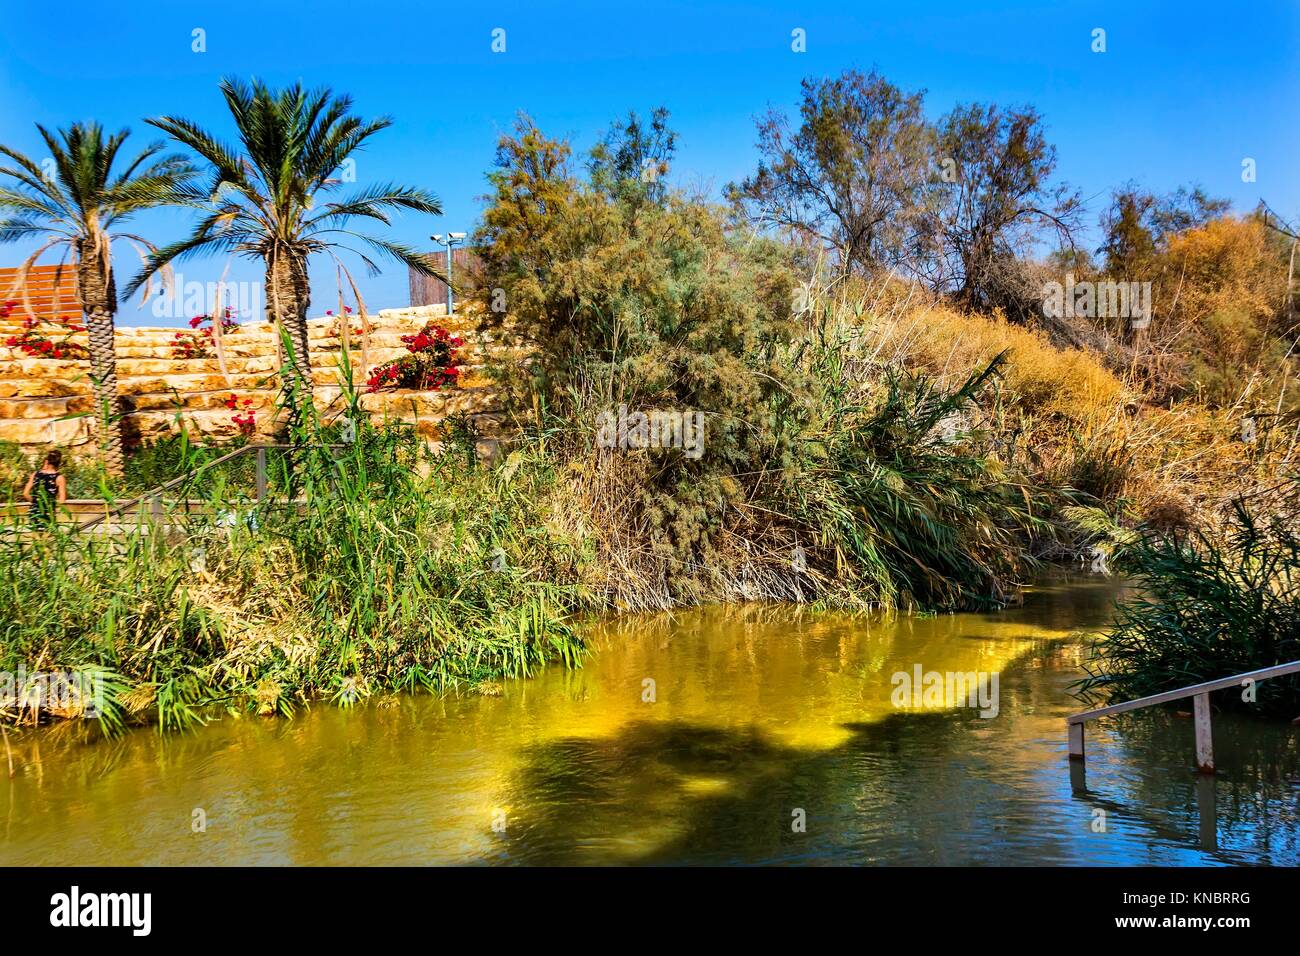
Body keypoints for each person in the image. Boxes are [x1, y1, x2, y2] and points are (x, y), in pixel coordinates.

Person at [22, 449, 67, 529]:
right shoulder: (59, 478)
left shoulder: (35, 474)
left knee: (35, 539)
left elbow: (25, 493)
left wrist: (36, 502)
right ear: (59, 463)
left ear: (47, 461)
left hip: (34, 513)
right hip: (48, 514)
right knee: (48, 539)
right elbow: (62, 501)